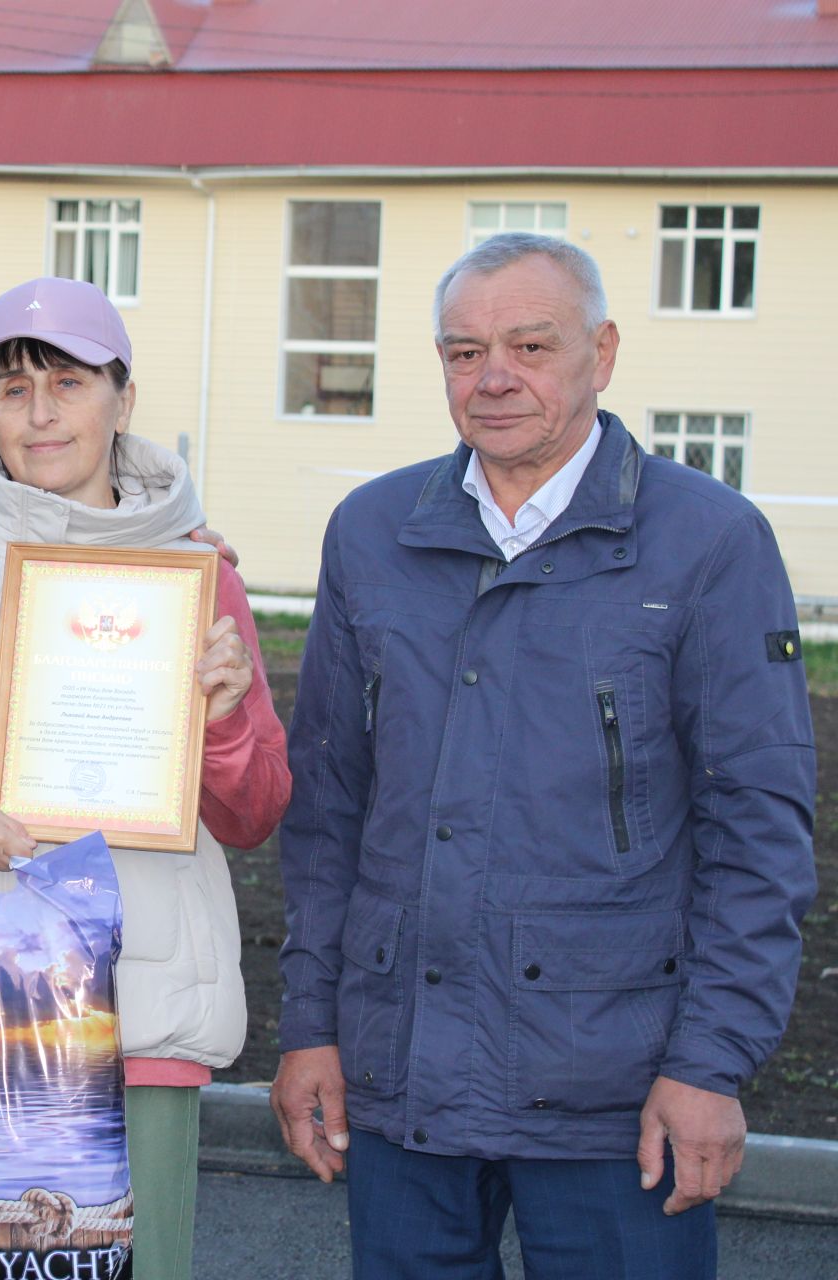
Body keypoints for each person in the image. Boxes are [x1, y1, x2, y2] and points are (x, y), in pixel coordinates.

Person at [270, 233, 817, 1279]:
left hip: (616, 1098)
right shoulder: (374, 532)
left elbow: (757, 830)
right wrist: (311, 1028)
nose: (494, 377)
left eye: (530, 343)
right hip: (402, 1081)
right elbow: (329, 810)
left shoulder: (707, 542)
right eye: (464, 351)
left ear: (601, 352)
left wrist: (710, 1063)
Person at [0, 277, 291, 1280]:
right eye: (13, 388)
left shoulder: (200, 578)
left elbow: (253, 813)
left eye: (68, 383)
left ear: (122, 395)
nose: (40, 414)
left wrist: (226, 719)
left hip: (137, 1015)